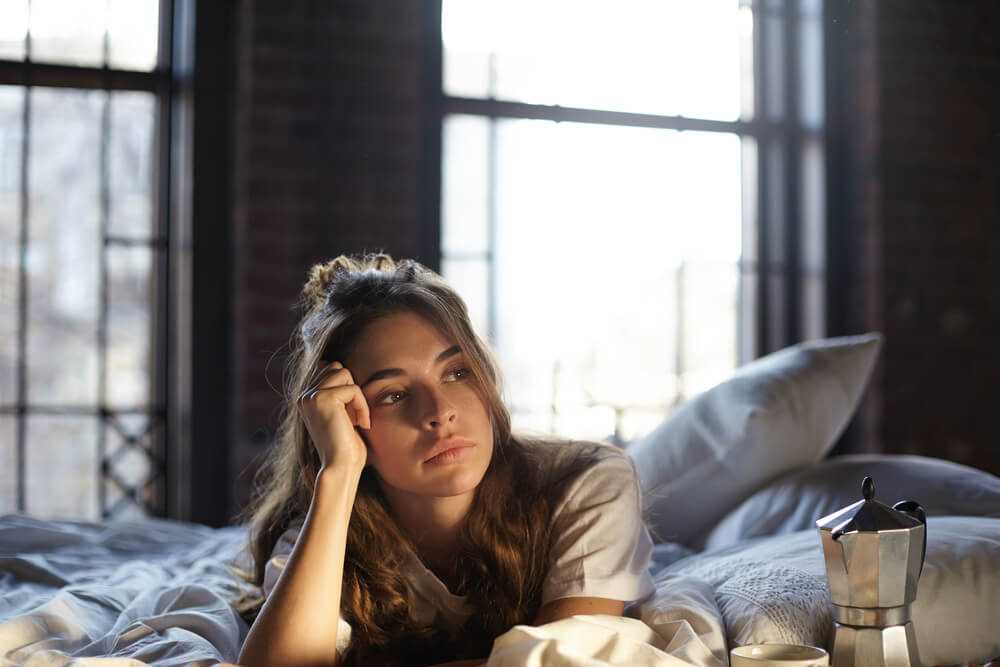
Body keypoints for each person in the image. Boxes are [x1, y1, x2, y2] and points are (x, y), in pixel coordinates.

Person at [236, 253, 654, 667]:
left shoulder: (587, 481)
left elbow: (557, 660)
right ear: (345, 420)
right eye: (393, 395)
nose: (439, 411)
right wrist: (338, 471)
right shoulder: (324, 534)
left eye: (456, 373)